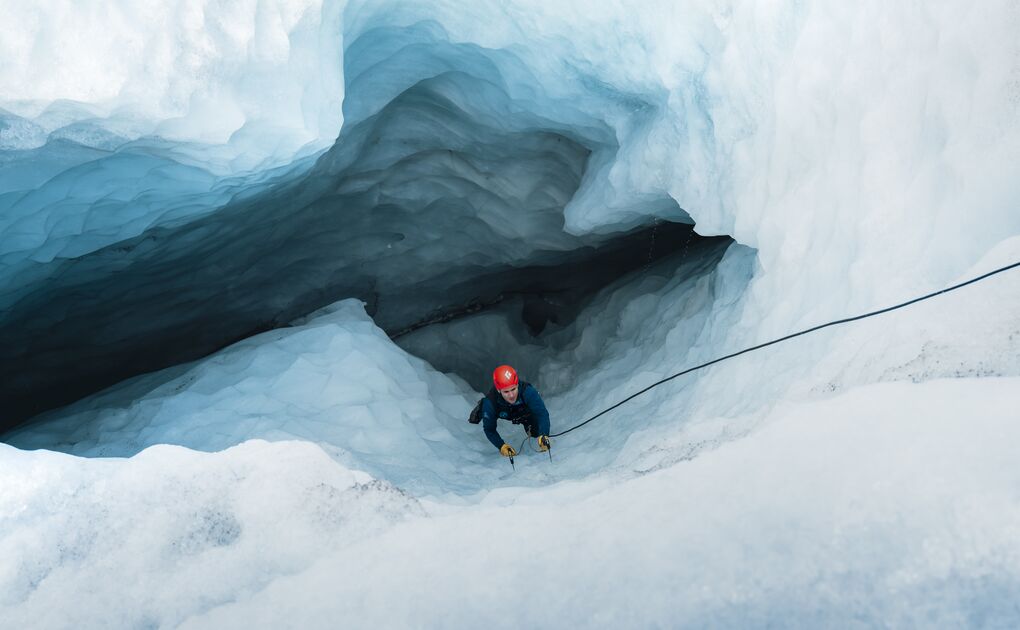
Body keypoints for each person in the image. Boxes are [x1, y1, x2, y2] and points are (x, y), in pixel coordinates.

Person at [480, 364, 551, 458]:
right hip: (505, 411)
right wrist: (501, 446)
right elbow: (489, 429)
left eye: (513, 389)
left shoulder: (528, 391)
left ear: (517, 384)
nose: (511, 395)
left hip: (525, 413)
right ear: (498, 390)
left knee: (536, 433)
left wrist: (544, 434)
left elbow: (542, 413)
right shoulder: (490, 403)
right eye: (506, 392)